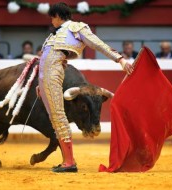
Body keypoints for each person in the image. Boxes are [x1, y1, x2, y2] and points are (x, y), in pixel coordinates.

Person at [36, 2, 133, 173]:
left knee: (58, 117)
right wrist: (40, 82)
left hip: (53, 74)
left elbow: (98, 44)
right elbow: (44, 60)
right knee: (55, 118)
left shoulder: (77, 28)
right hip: (45, 77)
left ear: (58, 15)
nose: (51, 21)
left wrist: (120, 59)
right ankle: (67, 161)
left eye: (52, 17)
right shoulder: (52, 36)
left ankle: (69, 162)